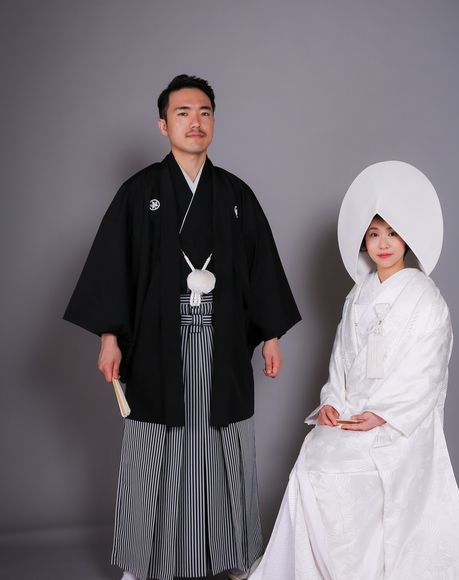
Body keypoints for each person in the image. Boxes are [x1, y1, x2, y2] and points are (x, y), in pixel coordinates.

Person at [64, 75, 301, 580]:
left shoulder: (235, 195)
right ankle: (142, 562)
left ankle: (232, 554)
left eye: (204, 112)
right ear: (163, 124)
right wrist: (109, 337)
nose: (196, 122)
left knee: (223, 444)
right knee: (155, 445)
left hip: (222, 339)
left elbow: (261, 268)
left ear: (214, 121)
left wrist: (272, 335)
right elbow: (114, 269)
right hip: (157, 342)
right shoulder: (139, 193)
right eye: (183, 113)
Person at [250, 161, 459, 579]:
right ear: (364, 239)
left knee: (348, 472)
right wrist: (332, 403)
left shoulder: (425, 298)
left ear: (407, 238)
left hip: (398, 423)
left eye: (393, 233)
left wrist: (383, 413)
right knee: (313, 460)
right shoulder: (358, 294)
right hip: (351, 414)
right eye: (374, 234)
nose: (383, 244)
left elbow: (428, 370)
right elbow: (340, 360)